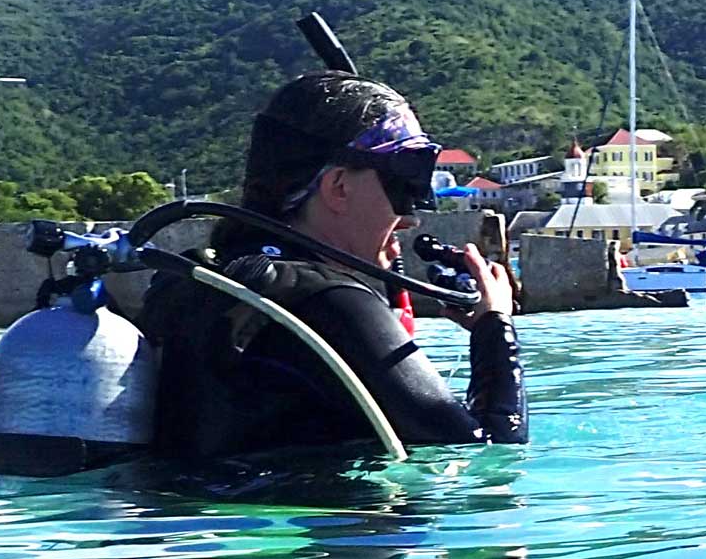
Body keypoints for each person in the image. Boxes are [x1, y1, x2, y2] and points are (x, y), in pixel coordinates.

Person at [137, 71, 527, 459]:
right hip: (317, 517)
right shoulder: (329, 301)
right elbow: (487, 451)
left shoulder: (193, 281)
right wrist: (494, 328)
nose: (414, 214)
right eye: (407, 178)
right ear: (338, 186)